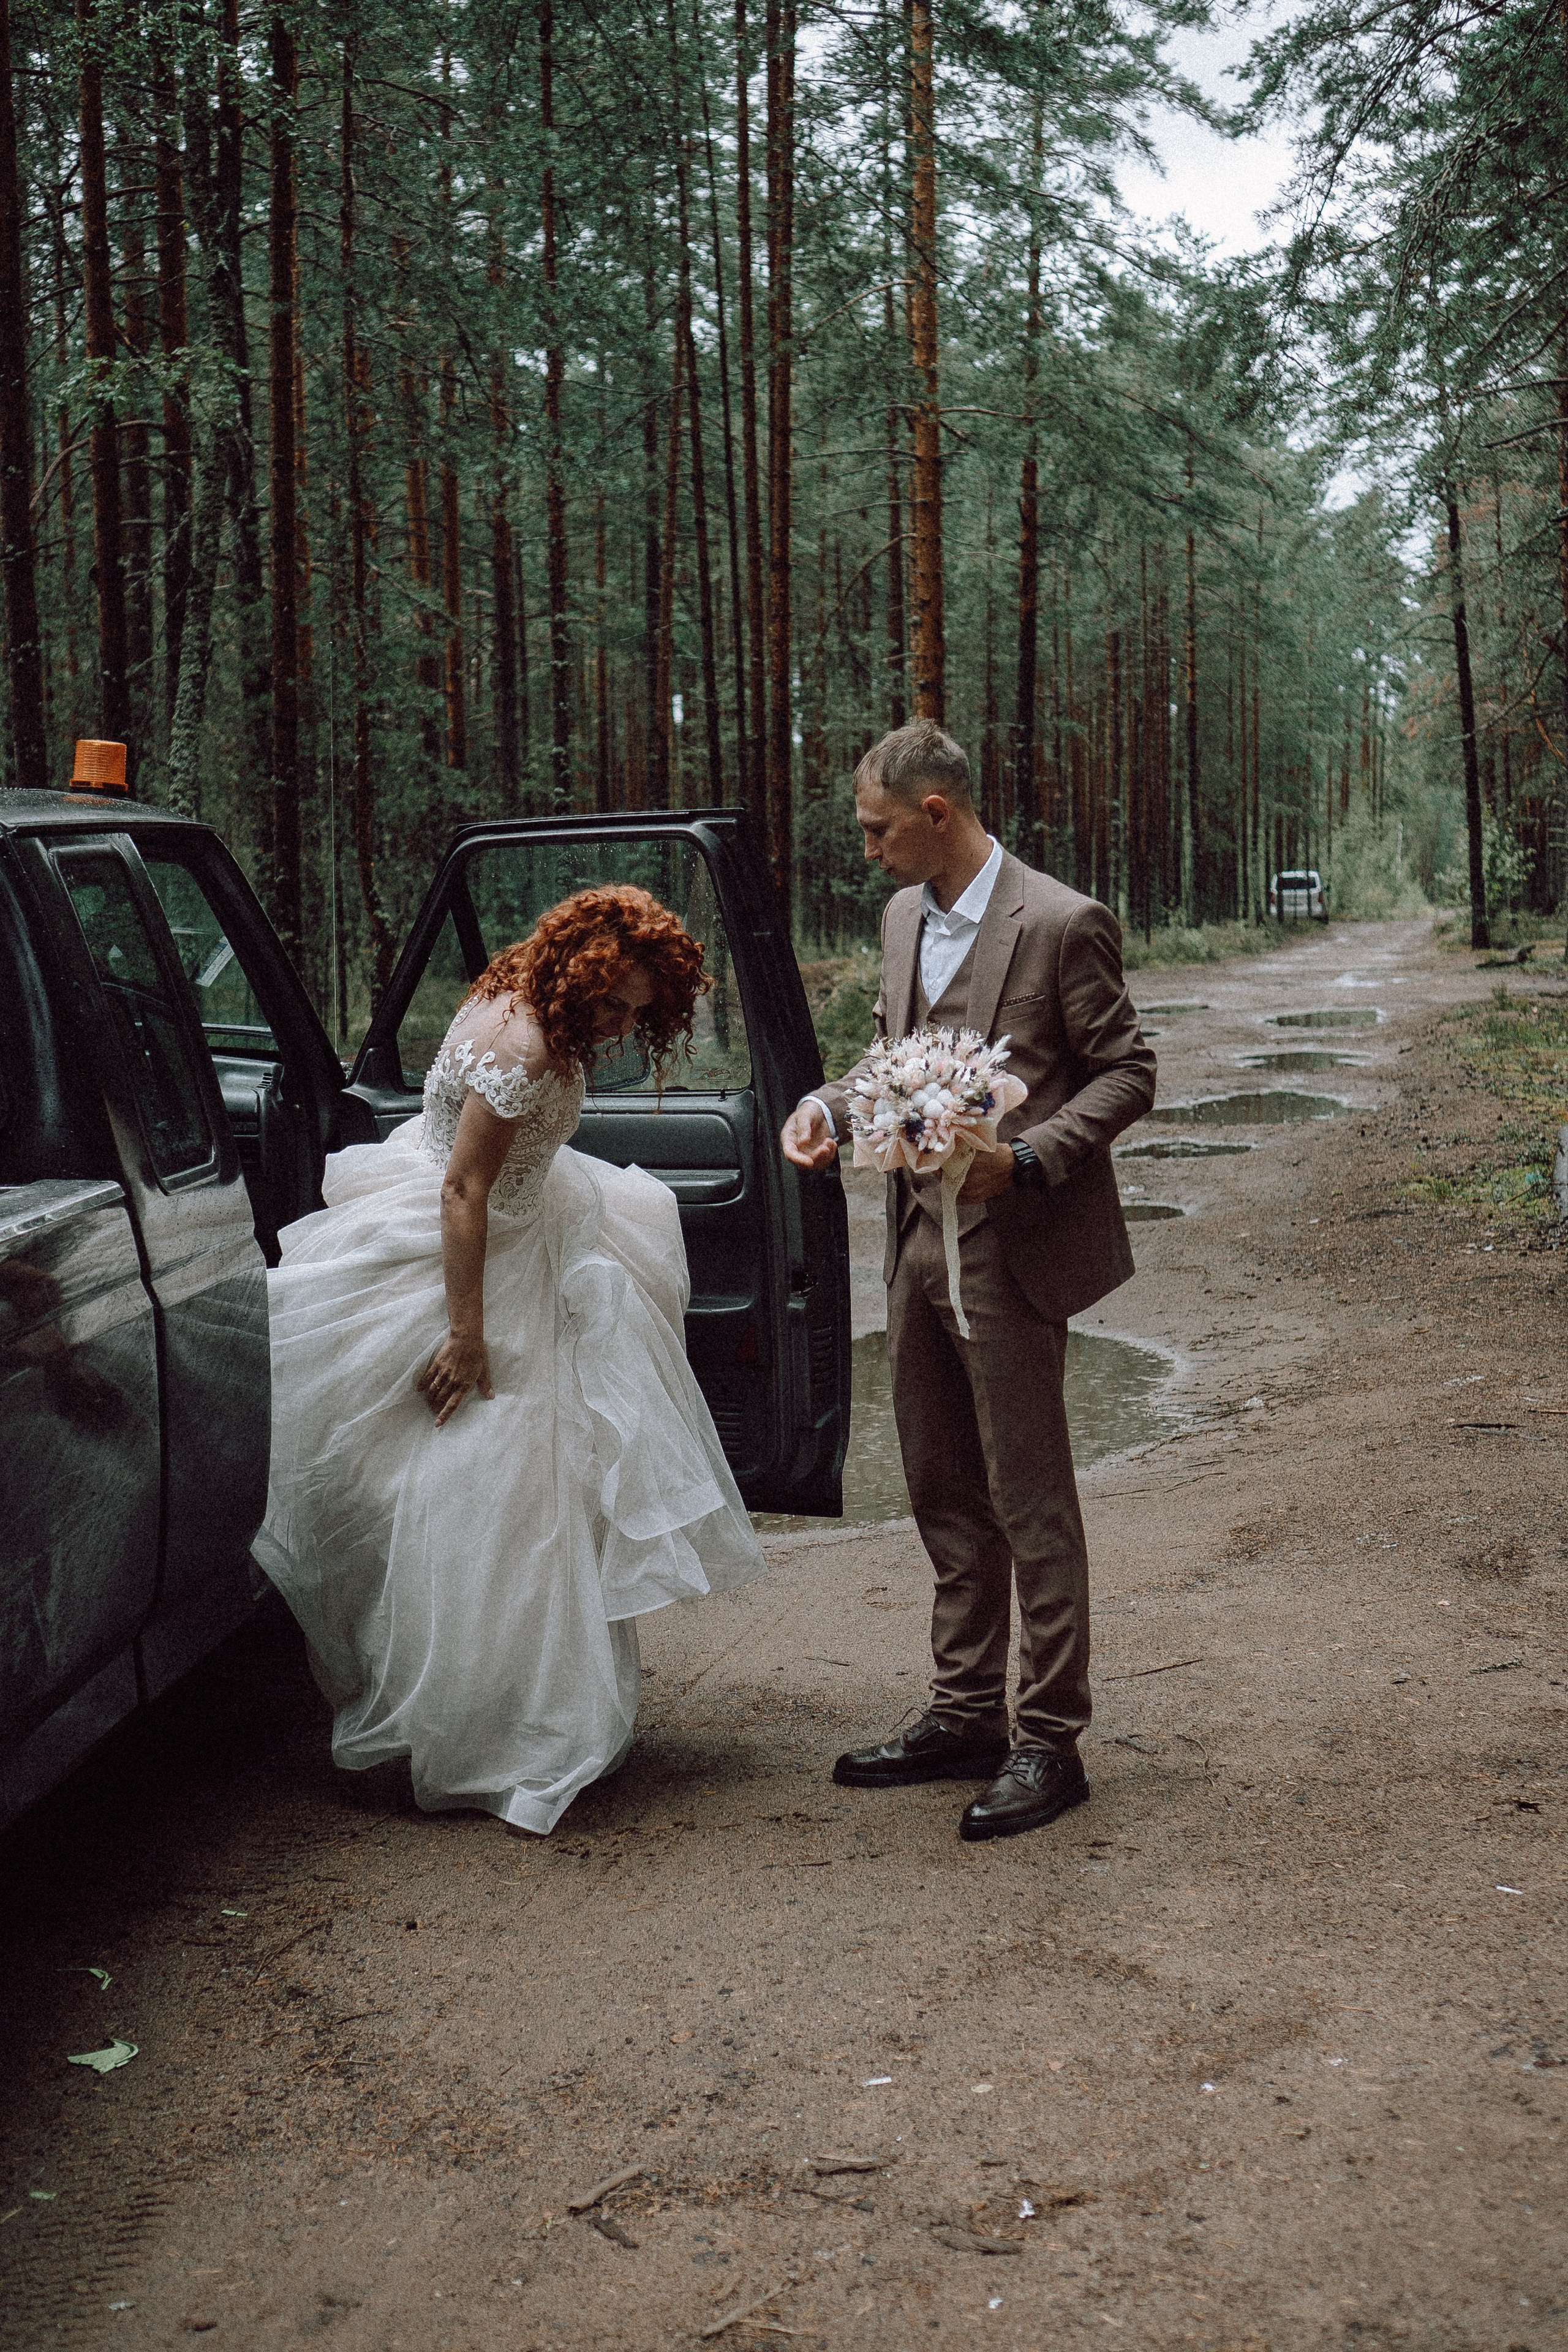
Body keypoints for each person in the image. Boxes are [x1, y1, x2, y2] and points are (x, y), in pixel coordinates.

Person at [256, 884, 764, 1834]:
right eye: (613, 1002)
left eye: (636, 1013)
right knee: (490, 1495)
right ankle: (488, 1735)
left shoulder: (513, 986)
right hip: (477, 1260)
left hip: (525, 1227)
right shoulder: (526, 1047)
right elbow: (463, 1190)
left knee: (489, 1493)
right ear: (579, 964)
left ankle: (478, 1715)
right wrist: (465, 1332)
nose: (618, 1025)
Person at [781, 721, 1155, 1841]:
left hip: (1012, 1245)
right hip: (913, 1244)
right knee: (942, 1487)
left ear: (936, 814)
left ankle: (1048, 1740)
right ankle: (963, 1713)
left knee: (1028, 1499)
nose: (868, 851)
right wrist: (828, 1106)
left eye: (878, 829)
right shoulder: (901, 918)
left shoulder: (1060, 921)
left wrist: (1030, 1158)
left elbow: (1129, 1069)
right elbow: (890, 1060)